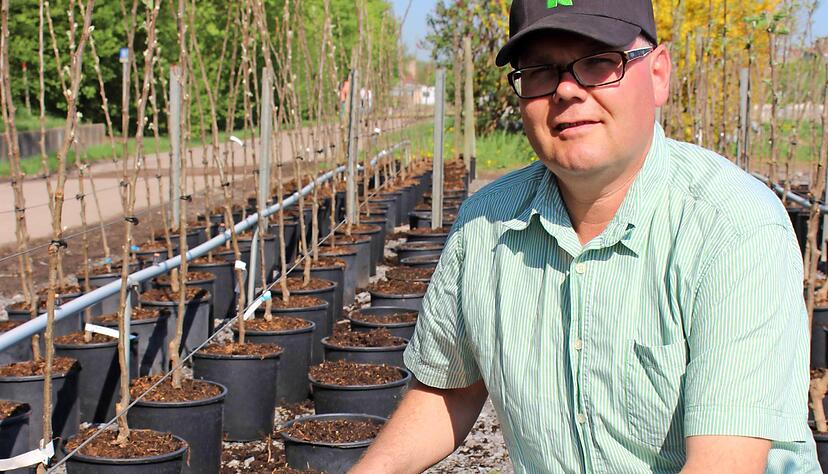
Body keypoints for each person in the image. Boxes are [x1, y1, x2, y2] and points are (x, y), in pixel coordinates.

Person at [351, 0, 819, 472]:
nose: (567, 90)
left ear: (658, 74)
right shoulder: (484, 226)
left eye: (598, 62)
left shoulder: (733, 227)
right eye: (540, 71)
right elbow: (448, 390)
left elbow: (724, 464)